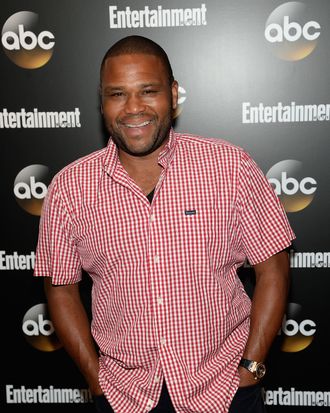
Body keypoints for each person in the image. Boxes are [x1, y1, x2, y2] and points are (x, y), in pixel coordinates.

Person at [34, 35, 295, 413]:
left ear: (173, 95)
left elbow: (274, 267)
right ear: (101, 101)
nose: (133, 108)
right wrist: (96, 380)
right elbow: (59, 289)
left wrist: (251, 367)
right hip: (125, 397)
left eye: (148, 91)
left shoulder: (229, 167)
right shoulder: (70, 188)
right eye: (117, 94)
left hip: (223, 392)